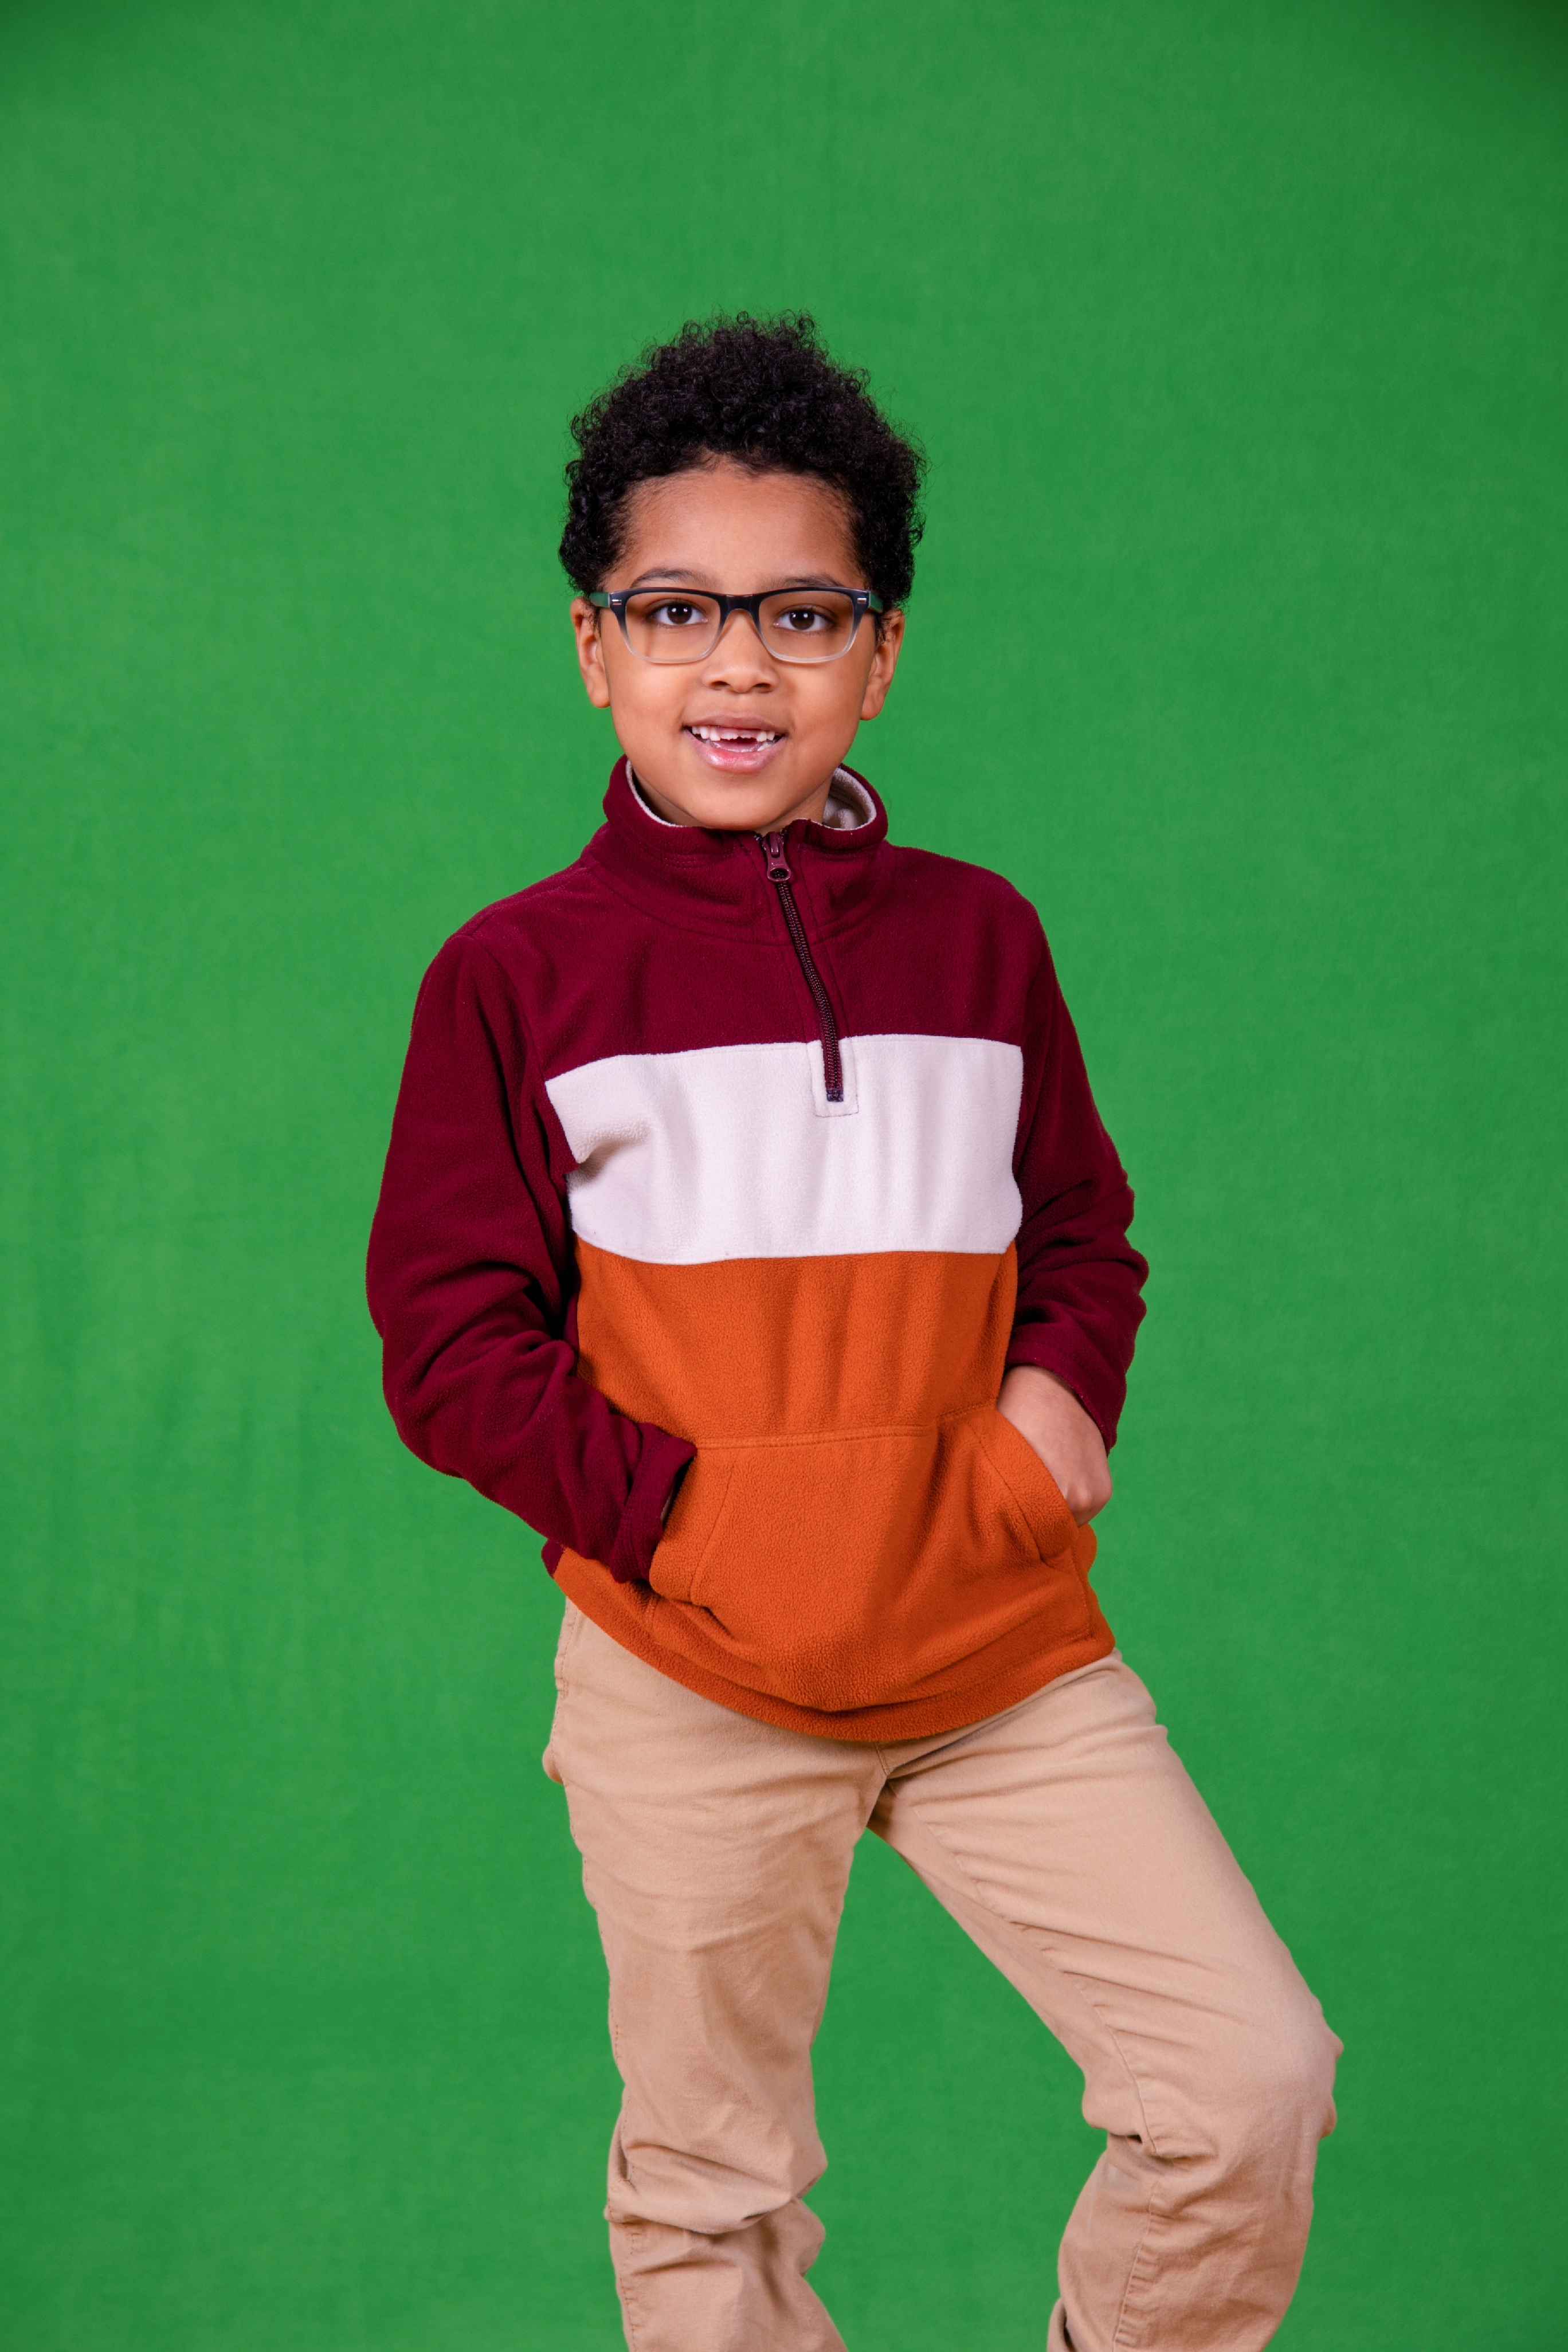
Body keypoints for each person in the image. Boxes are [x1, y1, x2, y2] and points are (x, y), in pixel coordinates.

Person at [366, 313, 1339, 2352]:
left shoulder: (982, 938)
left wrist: (1041, 1438)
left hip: (996, 1650)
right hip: (692, 1666)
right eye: (678, 612)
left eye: (802, 614)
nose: (740, 666)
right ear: (594, 647)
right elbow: (451, 1345)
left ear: (879, 655)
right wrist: (698, 1527)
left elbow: (1080, 1234)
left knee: (1245, 2085)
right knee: (713, 2195)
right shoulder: (514, 977)